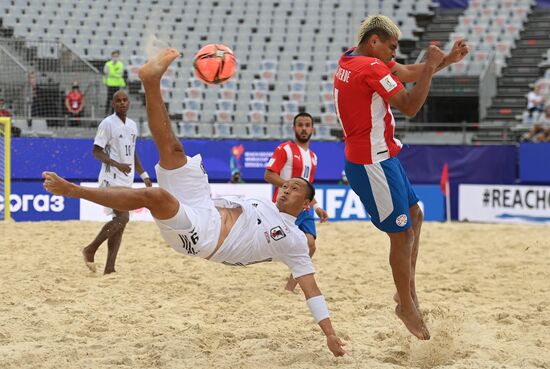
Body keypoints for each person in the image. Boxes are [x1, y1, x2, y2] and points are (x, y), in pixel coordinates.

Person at [42, 48, 346, 357]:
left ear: (306, 204)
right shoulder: (267, 204)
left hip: (206, 238)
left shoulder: (294, 239)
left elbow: (313, 290)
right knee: (174, 150)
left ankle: (75, 190)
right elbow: (264, 186)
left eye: (294, 189)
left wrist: (330, 335)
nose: (285, 189)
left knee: (155, 196)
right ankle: (150, 81)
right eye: (286, 184)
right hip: (205, 204)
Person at [333, 15, 469, 340]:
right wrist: (433, 66)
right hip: (371, 162)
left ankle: (405, 291)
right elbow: (409, 105)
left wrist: (445, 60)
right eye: (391, 48)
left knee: (415, 214)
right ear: (375, 41)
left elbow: (404, 73)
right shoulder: (370, 68)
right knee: (401, 235)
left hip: (383, 156)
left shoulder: (352, 58)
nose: (394, 55)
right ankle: (405, 305)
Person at [84, 89, 152, 274]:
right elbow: (96, 151)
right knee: (123, 217)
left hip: (126, 179)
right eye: (118, 101)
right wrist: (116, 164)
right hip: (110, 178)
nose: (122, 103)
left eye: (125, 100)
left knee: (119, 223)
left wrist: (143, 174)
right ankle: (90, 249)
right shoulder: (107, 124)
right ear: (113, 104)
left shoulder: (132, 125)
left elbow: (132, 152)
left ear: (129, 103)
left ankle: (110, 268)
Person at [264, 112, 329, 292]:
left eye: (307, 125)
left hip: (305, 208)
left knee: (310, 245)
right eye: (300, 125)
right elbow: (268, 174)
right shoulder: (284, 149)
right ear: (294, 129)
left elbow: (308, 188)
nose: (304, 128)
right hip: (285, 207)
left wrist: (316, 206)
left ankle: (289, 288)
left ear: (312, 129)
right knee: (271, 245)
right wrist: (291, 188)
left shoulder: (314, 157)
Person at [103, 50, 126, 115]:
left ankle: (113, 112)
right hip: (110, 84)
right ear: (112, 56)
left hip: (117, 84)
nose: (115, 57)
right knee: (109, 98)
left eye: (117, 56)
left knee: (116, 99)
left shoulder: (120, 64)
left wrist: (112, 74)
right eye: (114, 56)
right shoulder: (108, 64)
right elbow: (105, 73)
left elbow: (120, 74)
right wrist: (105, 81)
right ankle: (106, 112)